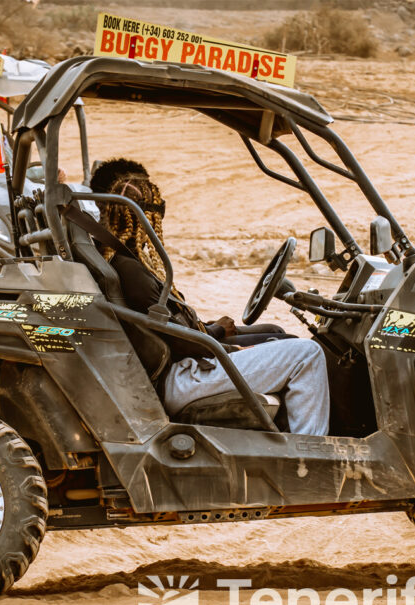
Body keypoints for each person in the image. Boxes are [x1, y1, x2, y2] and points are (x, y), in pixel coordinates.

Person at [90, 158, 330, 436]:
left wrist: (216, 335)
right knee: (307, 354)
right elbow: (176, 341)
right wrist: (218, 337)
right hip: (180, 376)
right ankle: (311, 452)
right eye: (155, 207)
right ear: (138, 210)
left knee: (277, 336)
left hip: (182, 367)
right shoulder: (130, 269)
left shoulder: (125, 261)